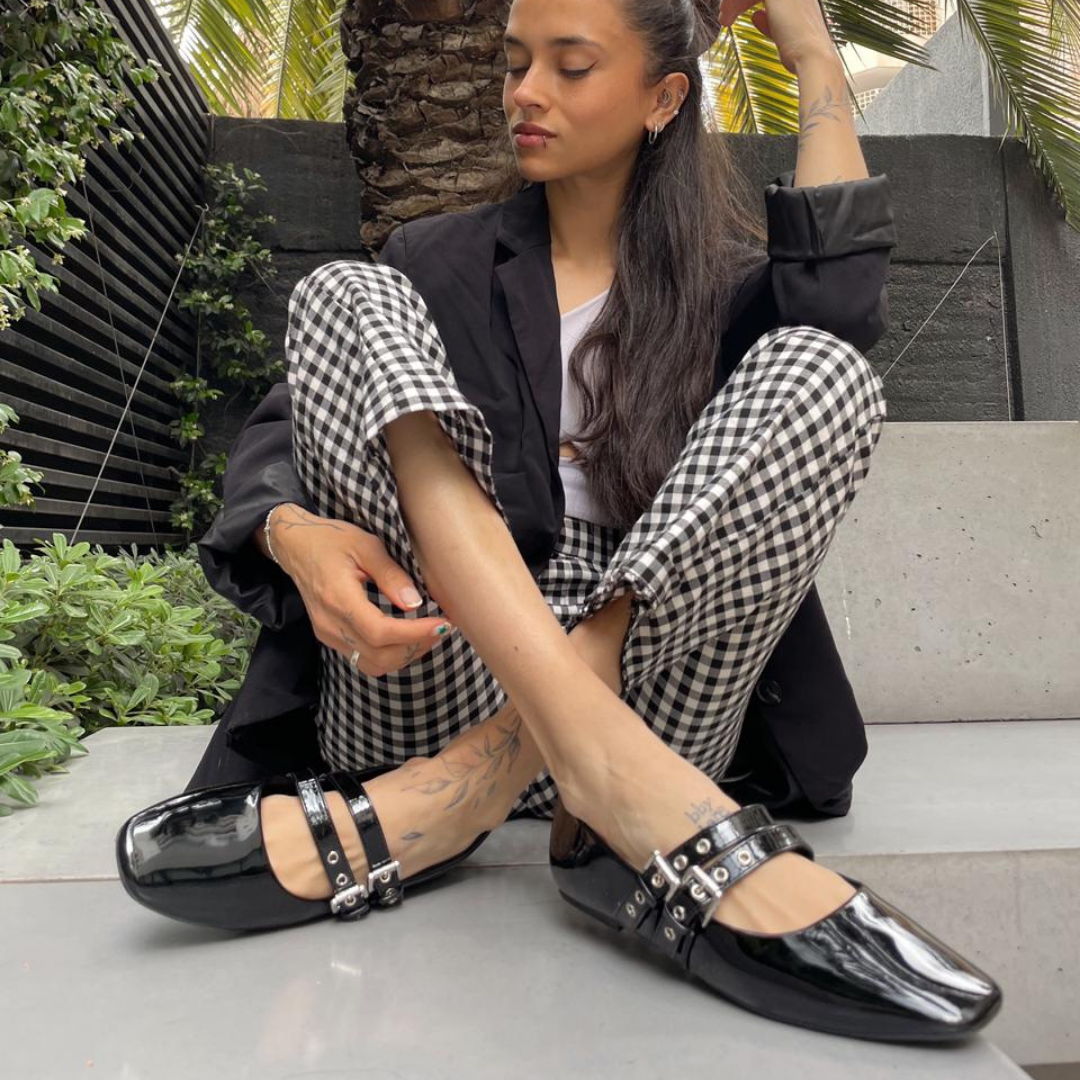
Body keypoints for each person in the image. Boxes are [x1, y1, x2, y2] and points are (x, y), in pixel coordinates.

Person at [116, 0, 1003, 1042]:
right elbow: (283, 427)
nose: (525, 94)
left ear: (663, 98)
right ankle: (601, 782)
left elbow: (842, 311)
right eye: (514, 63)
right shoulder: (437, 259)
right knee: (346, 290)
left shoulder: (725, 287)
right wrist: (290, 532)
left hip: (659, 685)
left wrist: (811, 51)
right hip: (434, 659)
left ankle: (473, 789)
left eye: (571, 67)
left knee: (822, 366)